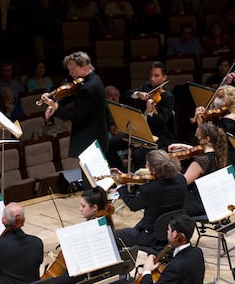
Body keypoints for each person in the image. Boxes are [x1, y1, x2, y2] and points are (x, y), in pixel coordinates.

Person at [41, 51, 108, 189]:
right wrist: (54, 99)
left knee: (91, 182)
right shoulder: (93, 80)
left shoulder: (89, 88)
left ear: (83, 65)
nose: (70, 74)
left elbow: (76, 116)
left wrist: (55, 108)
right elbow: (71, 93)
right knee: (94, 180)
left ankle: (94, 207)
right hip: (96, 137)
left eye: (72, 69)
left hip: (89, 140)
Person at [52, 186, 114, 284]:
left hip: (92, 271)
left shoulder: (92, 227)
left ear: (94, 208)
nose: (80, 209)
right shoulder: (105, 221)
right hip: (96, 268)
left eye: (83, 206)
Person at [113, 149, 187, 248]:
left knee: (114, 236)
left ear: (152, 170)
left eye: (147, 165)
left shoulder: (149, 189)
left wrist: (120, 186)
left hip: (152, 236)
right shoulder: (181, 179)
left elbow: (133, 205)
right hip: (173, 229)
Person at [109, 61, 175, 170]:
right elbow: (127, 94)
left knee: (138, 155)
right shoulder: (147, 87)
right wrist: (138, 94)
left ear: (164, 78)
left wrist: (150, 111)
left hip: (155, 135)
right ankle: (120, 173)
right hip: (138, 131)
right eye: (151, 75)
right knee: (109, 145)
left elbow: (162, 121)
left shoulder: (168, 97)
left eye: (156, 76)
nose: (152, 78)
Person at [140, 214, 205, 284]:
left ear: (174, 234)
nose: (167, 232)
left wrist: (146, 272)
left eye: (168, 229)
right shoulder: (197, 252)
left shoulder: (175, 267)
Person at [168, 122, 228, 216]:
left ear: (207, 139)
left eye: (199, 137)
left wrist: (172, 170)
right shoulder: (219, 154)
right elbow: (200, 151)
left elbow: (183, 182)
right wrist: (182, 146)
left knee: (164, 200)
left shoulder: (201, 160)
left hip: (196, 204)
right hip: (211, 202)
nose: (197, 138)